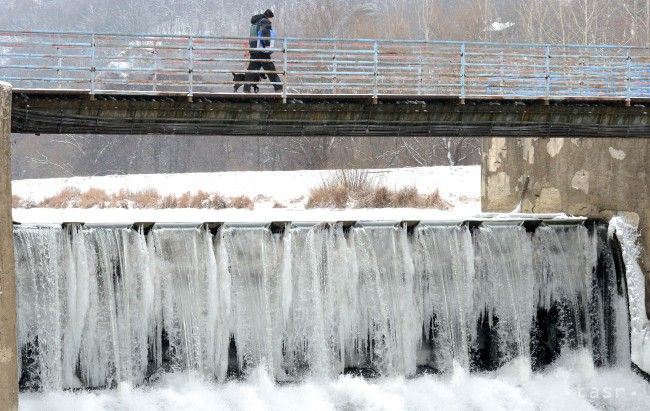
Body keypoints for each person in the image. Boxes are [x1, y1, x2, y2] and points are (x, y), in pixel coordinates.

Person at [244, 9, 283, 93]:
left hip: (254, 49)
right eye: (271, 18)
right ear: (269, 16)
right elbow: (265, 32)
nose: (270, 20)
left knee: (252, 70)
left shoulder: (255, 23)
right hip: (261, 50)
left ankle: (246, 89)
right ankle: (279, 88)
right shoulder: (264, 20)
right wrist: (267, 44)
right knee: (270, 69)